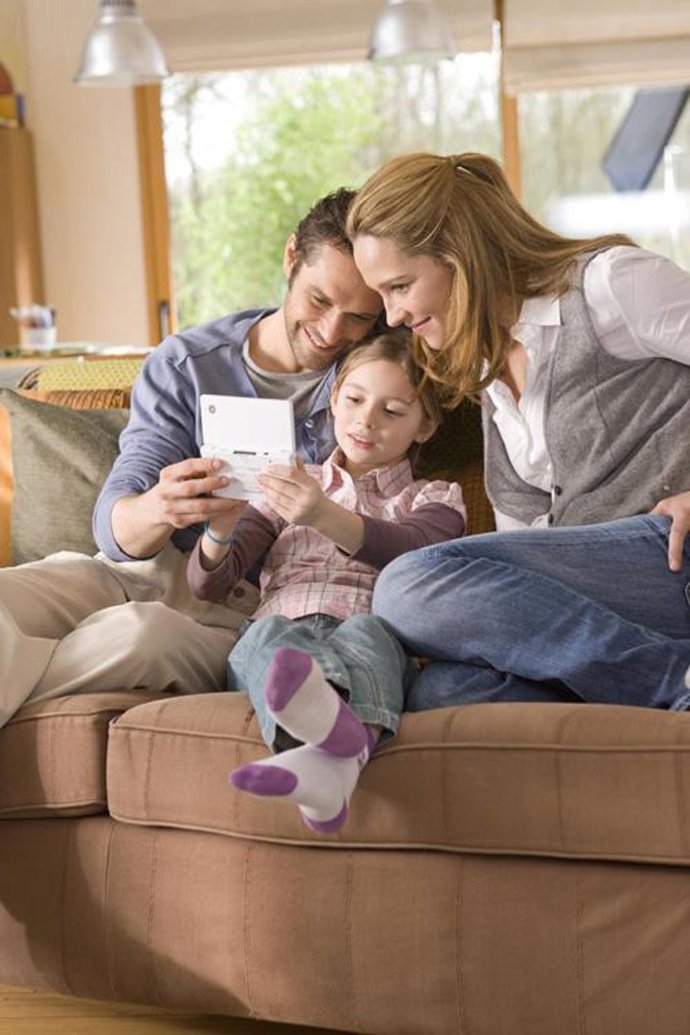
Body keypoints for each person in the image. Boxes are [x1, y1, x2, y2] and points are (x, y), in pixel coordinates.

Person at [0, 189, 383, 727]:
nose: (331, 332)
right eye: (319, 301)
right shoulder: (186, 364)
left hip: (245, 607)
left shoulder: (373, 386)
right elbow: (117, 529)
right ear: (291, 257)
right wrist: (160, 507)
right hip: (136, 573)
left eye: (360, 318)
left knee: (139, 635)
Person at [345, 151, 690, 712]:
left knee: (406, 586)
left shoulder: (609, 285)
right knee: (441, 693)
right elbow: (526, 541)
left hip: (667, 560)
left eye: (400, 286)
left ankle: (673, 679)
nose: (392, 316)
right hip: (597, 599)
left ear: (459, 254)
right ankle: (644, 673)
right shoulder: (490, 375)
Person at [186, 333, 466, 832]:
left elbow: (413, 551)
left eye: (393, 411)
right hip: (281, 623)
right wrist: (221, 525)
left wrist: (322, 515)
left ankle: (323, 747)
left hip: (373, 631)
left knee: (370, 636)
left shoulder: (436, 498)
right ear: (334, 397)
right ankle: (333, 756)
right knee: (269, 638)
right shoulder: (288, 482)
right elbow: (210, 584)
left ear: (425, 426)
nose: (366, 420)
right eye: (355, 399)